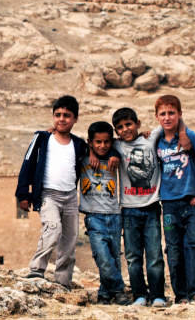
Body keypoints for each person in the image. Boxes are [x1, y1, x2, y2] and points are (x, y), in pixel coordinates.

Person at [16, 95, 91, 289]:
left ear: (75, 119)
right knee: (53, 228)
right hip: (48, 195)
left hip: (70, 197)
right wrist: (23, 194)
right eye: (57, 114)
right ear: (52, 116)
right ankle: (37, 269)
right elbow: (28, 164)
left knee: (70, 237)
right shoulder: (42, 138)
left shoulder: (79, 144)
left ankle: (63, 280)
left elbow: (99, 150)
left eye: (67, 115)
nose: (62, 119)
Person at [153, 95, 195, 304]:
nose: (167, 117)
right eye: (162, 113)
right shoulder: (156, 140)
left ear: (180, 114)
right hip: (169, 205)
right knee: (173, 250)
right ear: (156, 117)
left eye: (171, 113)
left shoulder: (189, 136)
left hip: (192, 204)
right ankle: (180, 295)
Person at [112, 107, 173, 308]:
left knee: (154, 254)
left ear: (138, 123)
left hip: (152, 207)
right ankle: (139, 294)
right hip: (128, 210)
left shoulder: (151, 138)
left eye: (129, 124)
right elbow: (95, 142)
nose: (125, 129)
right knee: (132, 256)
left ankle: (158, 296)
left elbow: (173, 122)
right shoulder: (117, 145)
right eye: (119, 127)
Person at [79, 121, 129, 304]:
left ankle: (105, 294)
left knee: (113, 258)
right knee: (103, 258)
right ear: (90, 142)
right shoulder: (83, 157)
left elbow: (121, 144)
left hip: (115, 215)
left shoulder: (115, 158)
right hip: (94, 216)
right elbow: (76, 142)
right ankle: (119, 289)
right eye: (97, 142)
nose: (102, 146)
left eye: (106, 142)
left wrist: (114, 153)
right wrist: (90, 152)